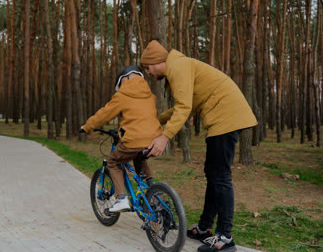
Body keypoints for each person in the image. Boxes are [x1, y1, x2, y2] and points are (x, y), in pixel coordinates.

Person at [141, 40, 257, 252]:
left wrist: (164, 137)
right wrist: (159, 120)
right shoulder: (179, 66)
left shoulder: (177, 66)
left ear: (156, 62)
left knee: (220, 176)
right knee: (213, 174)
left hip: (226, 116)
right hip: (222, 116)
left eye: (147, 68)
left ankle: (225, 237)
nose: (148, 73)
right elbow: (186, 106)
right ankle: (204, 228)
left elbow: (184, 107)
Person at [80, 65, 163, 213]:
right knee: (140, 159)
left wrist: (87, 127)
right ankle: (154, 192)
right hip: (152, 140)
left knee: (113, 162)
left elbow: (104, 114)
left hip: (133, 140)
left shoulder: (123, 95)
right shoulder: (150, 95)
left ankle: (122, 199)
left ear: (123, 80)